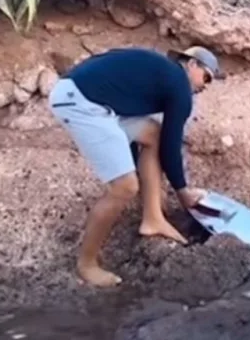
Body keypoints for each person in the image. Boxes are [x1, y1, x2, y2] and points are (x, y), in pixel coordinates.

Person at [47, 45, 225, 287]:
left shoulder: (164, 74)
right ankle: (87, 264)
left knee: (152, 134)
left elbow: (151, 134)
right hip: (79, 102)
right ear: (191, 65)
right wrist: (183, 193)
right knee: (125, 187)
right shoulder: (178, 85)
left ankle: (152, 218)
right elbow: (172, 147)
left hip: (90, 99)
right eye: (206, 77)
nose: (205, 86)